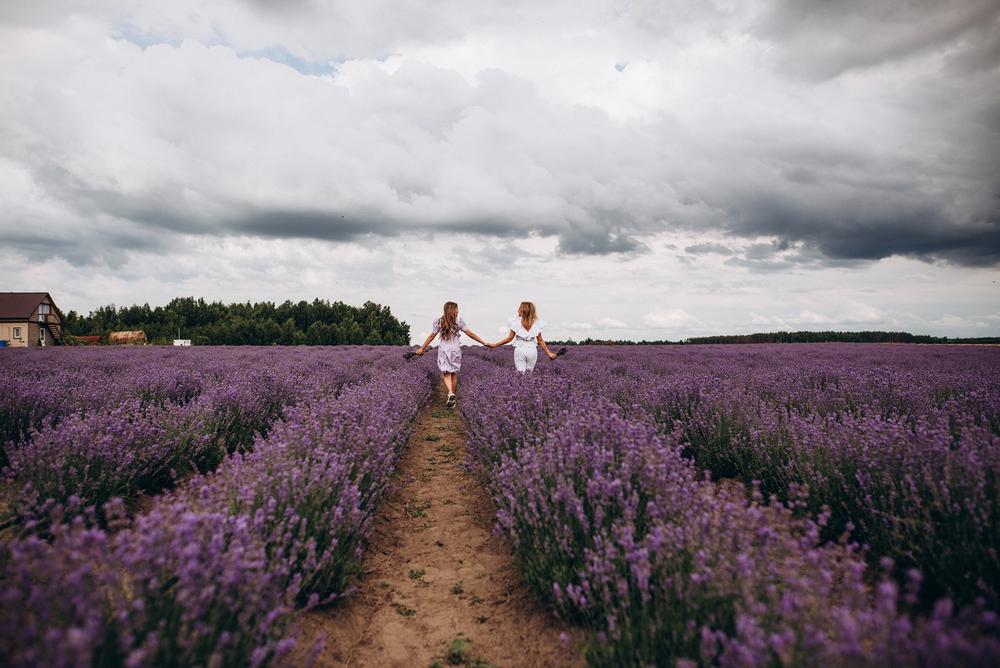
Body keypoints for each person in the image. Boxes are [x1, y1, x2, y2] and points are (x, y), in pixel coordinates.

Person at [415, 301, 491, 407]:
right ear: (453, 310)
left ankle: (450, 392)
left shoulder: (439, 321)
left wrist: (422, 348)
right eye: (457, 309)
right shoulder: (459, 321)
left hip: (444, 350)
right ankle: (452, 397)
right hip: (455, 350)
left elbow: (432, 336)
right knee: (454, 373)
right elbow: (470, 334)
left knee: (446, 373)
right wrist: (483, 342)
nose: (458, 311)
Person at [488, 301, 558, 372]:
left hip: (520, 349)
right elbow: (540, 340)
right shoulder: (537, 322)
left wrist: (494, 345)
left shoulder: (515, 321)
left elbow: (509, 338)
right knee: (528, 374)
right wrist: (549, 353)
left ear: (522, 310)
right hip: (532, 350)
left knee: (520, 374)